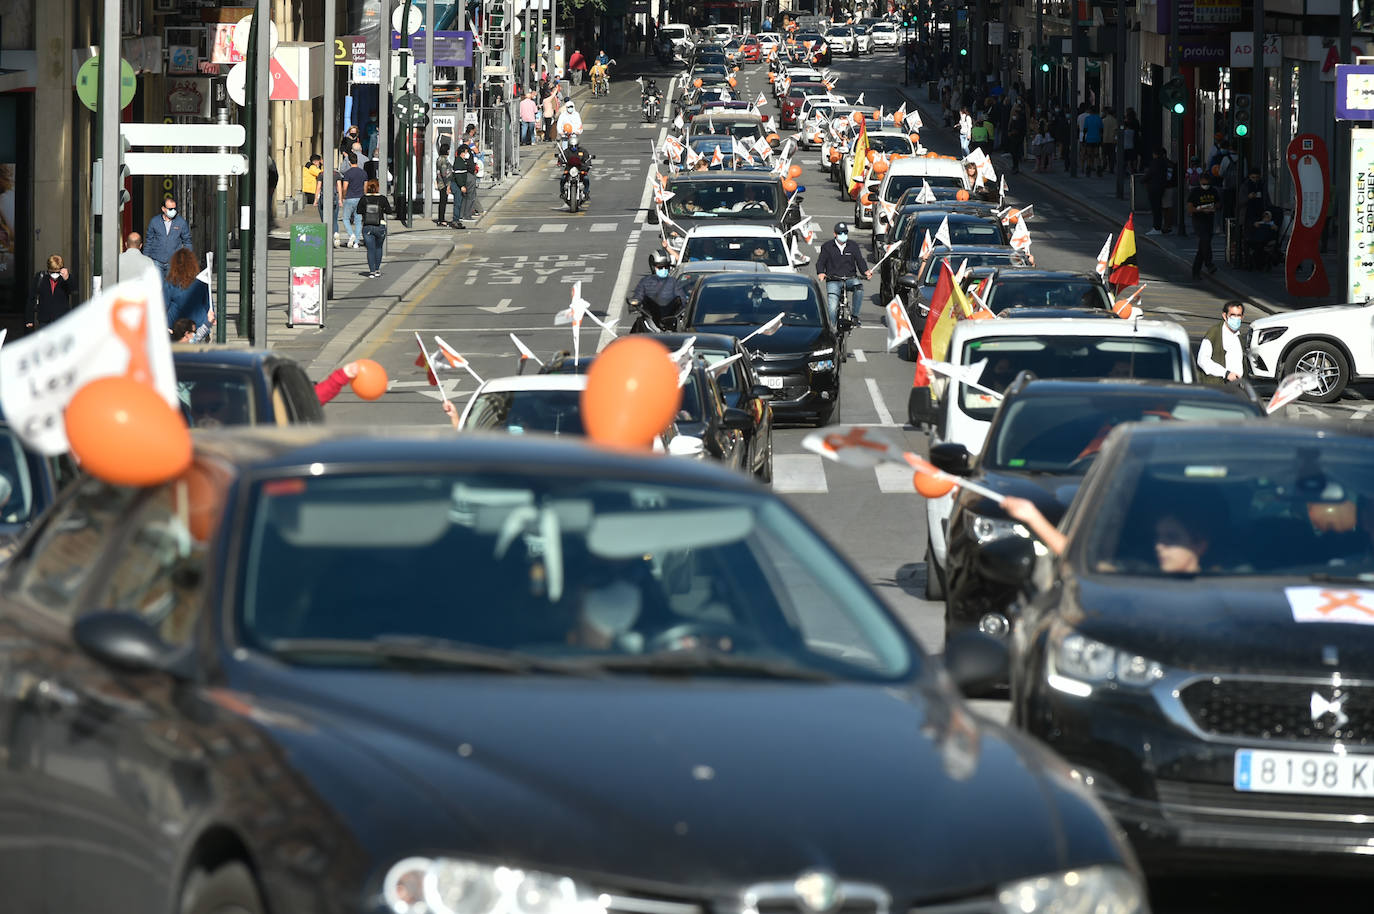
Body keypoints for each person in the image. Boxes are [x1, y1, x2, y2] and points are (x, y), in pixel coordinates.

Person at [815, 221, 872, 326]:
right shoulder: (827, 247)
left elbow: (860, 260)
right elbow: (820, 262)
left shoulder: (853, 246)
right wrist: (821, 273)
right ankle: (832, 328)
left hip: (850, 278)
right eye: (840, 233)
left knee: (859, 288)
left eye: (845, 233)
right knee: (832, 306)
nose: (843, 235)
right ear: (835, 234)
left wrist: (866, 271)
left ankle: (855, 316)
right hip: (833, 280)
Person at [628, 250, 687, 328]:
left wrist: (685, 306)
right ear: (653, 267)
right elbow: (638, 296)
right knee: (636, 329)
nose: (664, 270)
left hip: (670, 320)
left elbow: (682, 298)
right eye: (660, 267)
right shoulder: (645, 282)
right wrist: (635, 303)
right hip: (650, 319)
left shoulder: (674, 282)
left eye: (666, 267)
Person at [163, 248, 212, 341]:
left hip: (177, 330)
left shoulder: (170, 283)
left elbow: (163, 306)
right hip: (199, 327)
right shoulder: (201, 283)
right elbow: (209, 306)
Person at [1197, 299, 1247, 385]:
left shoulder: (1239, 337)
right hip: (1218, 386)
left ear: (1242, 317)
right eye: (1233, 315)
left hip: (1237, 387)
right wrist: (1226, 373)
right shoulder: (1214, 333)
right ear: (1225, 316)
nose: (1236, 318)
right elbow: (1202, 360)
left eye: (1238, 315)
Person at [144, 195, 193, 277]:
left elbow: (187, 241)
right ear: (163, 209)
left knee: (171, 286)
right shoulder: (154, 221)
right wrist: (145, 259)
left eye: (174, 208)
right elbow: (149, 241)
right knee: (158, 286)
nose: (173, 211)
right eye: (170, 209)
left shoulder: (181, 222)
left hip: (174, 261)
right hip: (157, 260)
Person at [27, 254, 75, 330]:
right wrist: (29, 319)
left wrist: (67, 279)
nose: (54, 275)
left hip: (61, 320)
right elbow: (31, 297)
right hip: (44, 320)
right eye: (52, 272)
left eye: (57, 272)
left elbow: (73, 290)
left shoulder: (66, 278)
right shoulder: (40, 277)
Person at [1188, 170, 1220, 280]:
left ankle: (1196, 271)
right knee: (1205, 240)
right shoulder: (1195, 192)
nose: (1205, 186)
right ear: (1200, 182)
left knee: (1203, 246)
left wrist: (1214, 208)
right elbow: (1190, 208)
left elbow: (1218, 203)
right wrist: (1201, 210)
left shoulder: (1213, 191)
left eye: (1207, 184)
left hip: (1209, 220)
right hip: (1198, 220)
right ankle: (1208, 263)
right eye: (1203, 184)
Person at [358, 178, 393, 278]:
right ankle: (377, 269)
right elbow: (389, 211)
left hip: (367, 226)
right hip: (380, 226)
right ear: (378, 187)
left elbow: (358, 211)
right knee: (378, 248)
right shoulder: (382, 198)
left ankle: (371, 271)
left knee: (370, 249)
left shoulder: (363, 199)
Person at [338, 154, 367, 248]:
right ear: (357, 161)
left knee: (346, 219)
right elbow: (365, 186)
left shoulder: (348, 173)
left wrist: (342, 197)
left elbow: (345, 187)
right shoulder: (363, 173)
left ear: (349, 162)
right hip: (360, 198)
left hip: (350, 198)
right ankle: (357, 242)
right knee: (358, 220)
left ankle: (351, 235)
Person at [1144, 147, 1173, 236]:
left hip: (1157, 188)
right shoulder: (1166, 163)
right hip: (1163, 187)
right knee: (1161, 208)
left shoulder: (1157, 163)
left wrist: (1143, 180)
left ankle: (1158, 227)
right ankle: (1162, 227)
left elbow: (1150, 174)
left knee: (1157, 208)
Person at [451, 144, 478, 228]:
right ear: (462, 153)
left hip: (460, 184)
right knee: (458, 203)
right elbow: (458, 175)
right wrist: (462, 185)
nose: (467, 154)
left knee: (460, 201)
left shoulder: (462, 161)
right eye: (466, 152)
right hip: (458, 185)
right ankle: (457, 219)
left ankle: (458, 218)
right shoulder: (459, 161)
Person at [561, 136, 592, 205]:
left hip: (580, 169)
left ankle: (585, 193)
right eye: (572, 146)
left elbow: (587, 159)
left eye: (575, 146)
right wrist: (560, 162)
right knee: (563, 178)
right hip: (569, 169)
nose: (573, 147)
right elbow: (562, 157)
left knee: (586, 179)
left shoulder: (583, 151)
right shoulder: (566, 151)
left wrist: (588, 164)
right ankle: (562, 193)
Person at [434, 143, 454, 227]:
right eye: (448, 149)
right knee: (443, 202)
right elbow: (444, 173)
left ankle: (441, 219)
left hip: (440, 182)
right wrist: (448, 186)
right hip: (443, 184)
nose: (449, 151)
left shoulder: (439, 159)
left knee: (442, 201)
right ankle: (441, 220)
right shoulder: (443, 160)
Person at [1080, 106, 1103, 176]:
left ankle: (1088, 169)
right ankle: (1099, 168)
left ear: (1090, 111)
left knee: (1089, 155)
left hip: (1089, 138)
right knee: (1097, 154)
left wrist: (1084, 138)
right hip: (1097, 138)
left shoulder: (1087, 119)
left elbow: (1085, 130)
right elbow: (1101, 129)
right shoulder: (1099, 118)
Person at [1006, 101, 1026, 175]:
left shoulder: (1020, 120)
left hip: (1017, 138)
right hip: (1013, 138)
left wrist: (1011, 133)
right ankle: (1015, 166)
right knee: (1013, 153)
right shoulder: (1014, 120)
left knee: (1016, 153)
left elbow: (1018, 130)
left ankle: (1016, 167)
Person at [1100, 107, 1118, 173]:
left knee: (1104, 154)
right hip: (1112, 140)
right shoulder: (1115, 121)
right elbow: (1116, 131)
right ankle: (1111, 168)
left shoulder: (1103, 120)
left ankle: (1104, 163)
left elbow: (1101, 130)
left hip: (1104, 140)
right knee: (1112, 155)